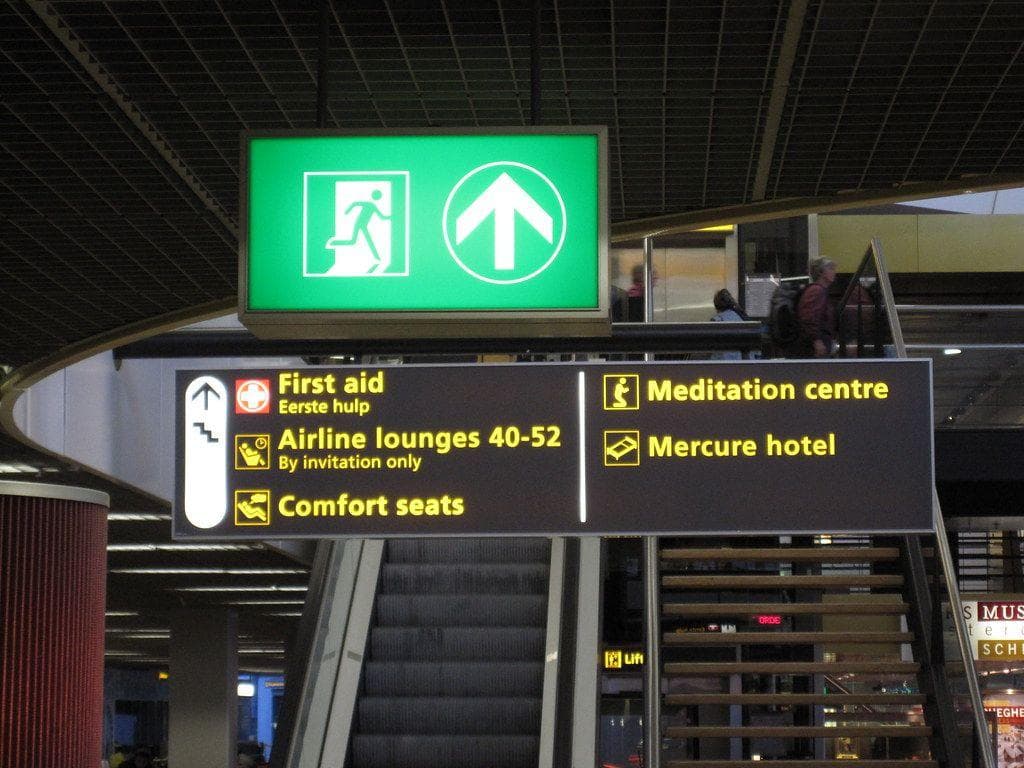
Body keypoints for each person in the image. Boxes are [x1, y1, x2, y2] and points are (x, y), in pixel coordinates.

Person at [796, 256, 837, 358]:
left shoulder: (817, 290)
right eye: (831, 269)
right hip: (816, 346)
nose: (834, 272)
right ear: (821, 272)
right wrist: (817, 341)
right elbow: (809, 317)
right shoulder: (817, 291)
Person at [710, 288, 748, 359]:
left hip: (721, 363)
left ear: (716, 305)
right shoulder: (740, 318)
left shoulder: (717, 321)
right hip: (738, 362)